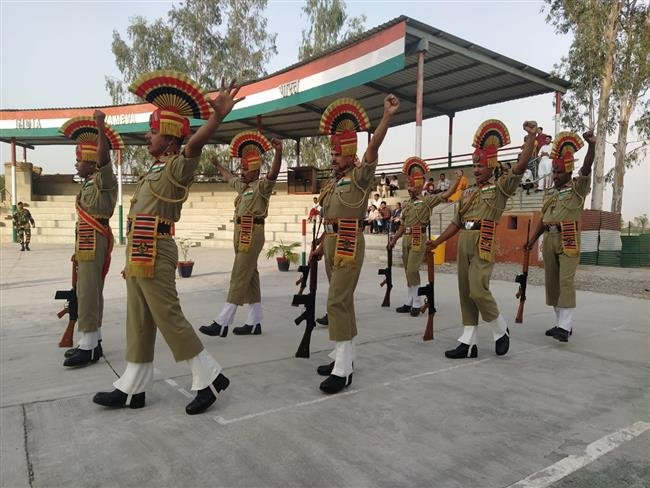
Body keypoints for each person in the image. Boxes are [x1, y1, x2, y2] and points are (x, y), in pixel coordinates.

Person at [93, 72, 242, 415]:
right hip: (140, 249)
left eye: (154, 130)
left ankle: (208, 377)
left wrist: (217, 118)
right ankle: (133, 386)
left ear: (171, 137)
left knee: (167, 315)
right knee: (138, 318)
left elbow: (194, 146)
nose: (148, 135)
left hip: (156, 248)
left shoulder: (177, 166)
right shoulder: (154, 170)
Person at [310, 94, 399, 394]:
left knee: (336, 301)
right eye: (331, 153)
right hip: (332, 241)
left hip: (349, 240)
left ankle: (344, 370)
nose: (332, 158)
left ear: (350, 155)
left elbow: (373, 149)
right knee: (342, 301)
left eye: (337, 154)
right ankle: (342, 355)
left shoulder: (360, 176)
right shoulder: (333, 182)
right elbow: (329, 217)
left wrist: (386, 116)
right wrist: (321, 245)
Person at [428, 119, 538, 359]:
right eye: (474, 165)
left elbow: (520, 166)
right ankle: (469, 341)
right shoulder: (467, 192)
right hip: (464, 240)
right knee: (465, 291)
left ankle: (500, 328)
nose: (476, 170)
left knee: (478, 289)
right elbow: (456, 222)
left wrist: (531, 139)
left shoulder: (500, 188)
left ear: (491, 165)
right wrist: (437, 242)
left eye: (481, 165)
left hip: (484, 239)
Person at [200, 132, 282, 338]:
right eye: (242, 168)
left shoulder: (262, 187)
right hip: (241, 231)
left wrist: (278, 152)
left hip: (252, 232)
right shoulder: (243, 187)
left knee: (238, 274)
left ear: (256, 171)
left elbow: (273, 173)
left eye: (246, 169)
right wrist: (218, 165)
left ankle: (222, 322)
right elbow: (229, 178)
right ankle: (254, 322)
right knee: (250, 275)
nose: (242, 172)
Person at [59, 111, 123, 367]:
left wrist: (100, 127)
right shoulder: (88, 183)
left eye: (79, 160)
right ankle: (93, 341)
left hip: (94, 241)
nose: (76, 165)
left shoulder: (103, 179)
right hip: (86, 242)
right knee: (88, 291)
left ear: (91, 161)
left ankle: (88, 345)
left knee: (88, 291)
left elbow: (105, 160)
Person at [525, 130, 594, 343]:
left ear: (568, 172)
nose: (554, 176)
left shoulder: (577, 189)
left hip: (568, 238)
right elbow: (543, 219)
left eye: (558, 172)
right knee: (553, 284)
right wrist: (531, 240)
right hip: (549, 238)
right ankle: (561, 324)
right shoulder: (551, 194)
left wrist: (591, 145)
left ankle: (564, 326)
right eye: (554, 172)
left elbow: (586, 168)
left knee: (565, 281)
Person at [388, 158, 459, 316]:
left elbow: (447, 194)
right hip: (406, 238)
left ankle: (417, 302)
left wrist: (458, 180)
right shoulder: (407, 204)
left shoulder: (427, 200)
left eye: (412, 186)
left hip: (418, 237)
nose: (409, 189)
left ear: (420, 186)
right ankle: (410, 301)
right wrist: (394, 239)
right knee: (407, 271)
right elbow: (402, 226)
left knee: (413, 269)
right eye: (408, 185)